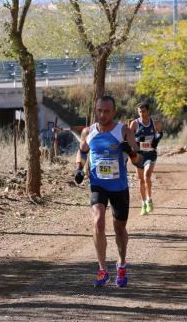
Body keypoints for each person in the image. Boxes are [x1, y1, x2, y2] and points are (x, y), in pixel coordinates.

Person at [74, 95, 142, 288]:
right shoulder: (89, 132)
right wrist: (79, 168)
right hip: (98, 184)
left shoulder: (124, 131)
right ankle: (102, 270)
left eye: (107, 111)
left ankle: (121, 264)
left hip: (119, 187)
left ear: (113, 112)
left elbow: (139, 161)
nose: (102, 115)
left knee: (119, 228)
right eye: (99, 111)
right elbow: (82, 151)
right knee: (98, 221)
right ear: (95, 110)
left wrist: (129, 151)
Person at [129, 103, 163, 216]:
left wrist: (156, 140)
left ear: (148, 111)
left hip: (150, 155)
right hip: (139, 156)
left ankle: (149, 200)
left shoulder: (155, 123)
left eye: (143, 111)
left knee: (147, 176)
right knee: (141, 181)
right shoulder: (134, 123)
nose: (141, 113)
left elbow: (160, 133)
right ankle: (143, 204)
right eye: (139, 111)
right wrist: (137, 144)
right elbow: (129, 138)